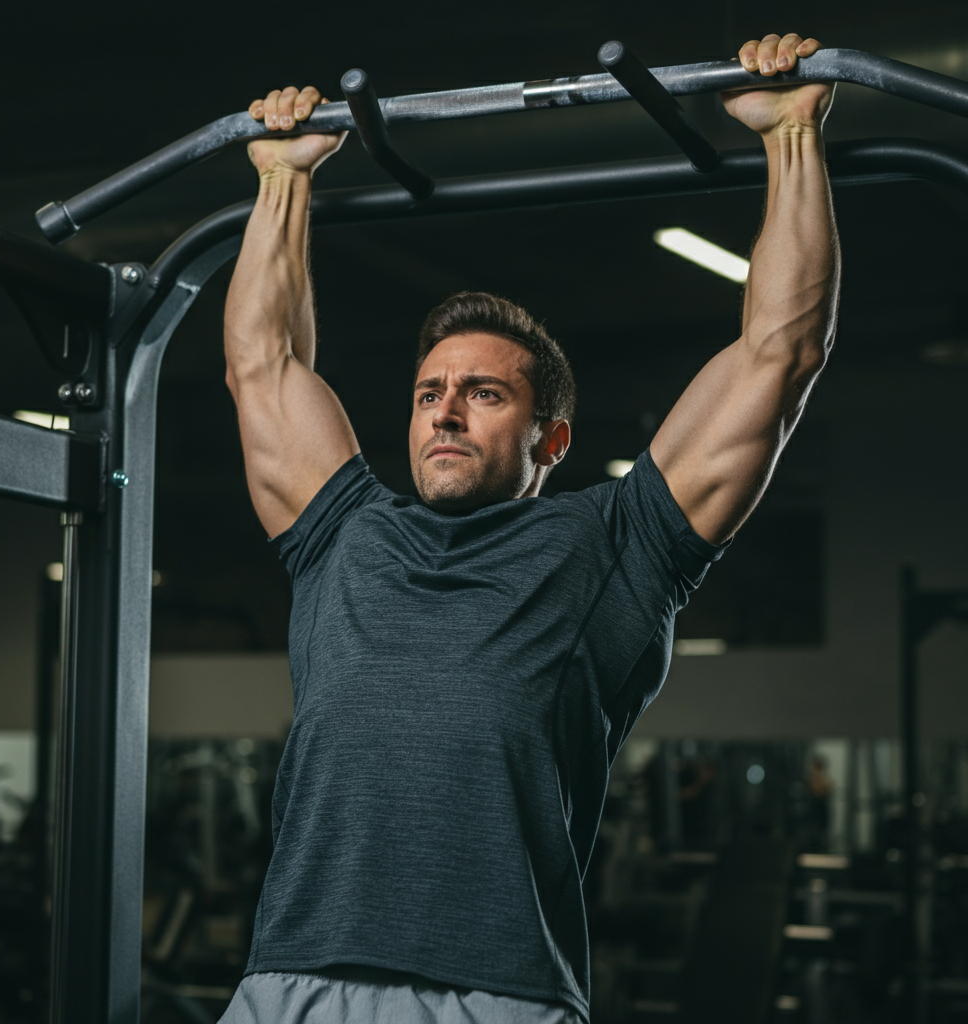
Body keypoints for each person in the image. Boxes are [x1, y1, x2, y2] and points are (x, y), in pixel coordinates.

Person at [219, 31, 839, 1024]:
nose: (445, 412)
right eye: (429, 393)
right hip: (292, 981)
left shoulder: (617, 546)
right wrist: (283, 181)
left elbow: (779, 355)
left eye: (483, 393)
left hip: (492, 994)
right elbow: (262, 365)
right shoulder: (342, 533)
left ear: (550, 438)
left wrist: (791, 135)